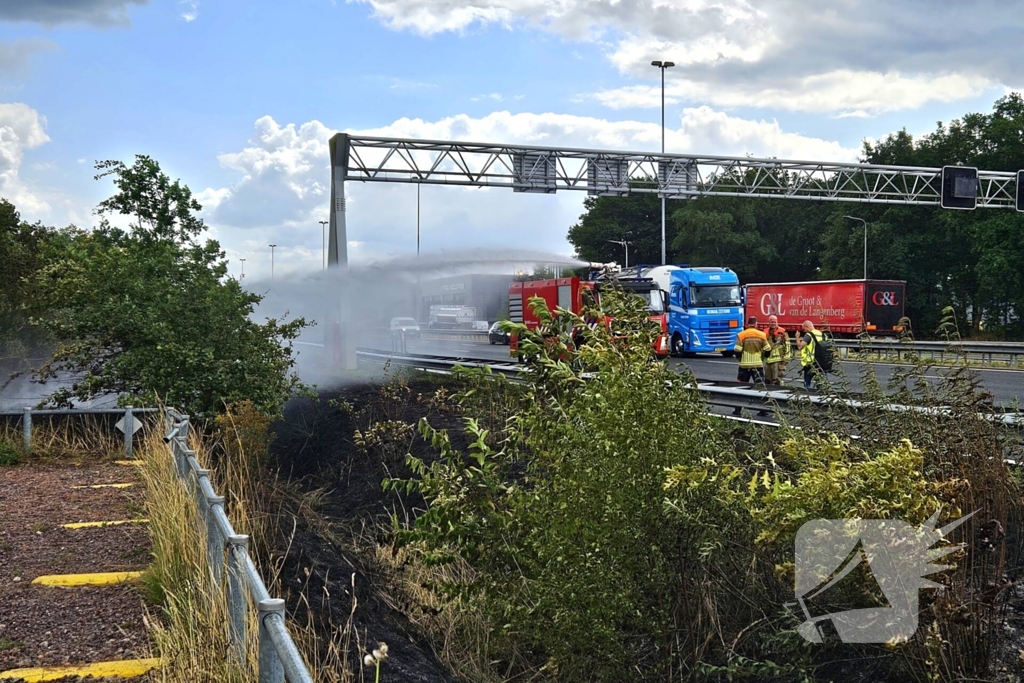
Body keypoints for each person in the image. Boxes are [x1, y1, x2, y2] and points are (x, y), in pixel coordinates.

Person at [734, 316, 771, 386]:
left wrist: (740, 359)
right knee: (760, 387)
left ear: (748, 324)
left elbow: (737, 349)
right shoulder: (762, 335)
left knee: (742, 386)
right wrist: (763, 357)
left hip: (744, 365)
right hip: (757, 364)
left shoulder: (741, 335)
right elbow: (768, 349)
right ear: (755, 324)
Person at [796, 320, 825, 390]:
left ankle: (808, 397)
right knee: (821, 384)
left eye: (804, 329)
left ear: (807, 327)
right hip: (822, 363)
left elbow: (800, 347)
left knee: (807, 384)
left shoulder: (809, 335)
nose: (804, 331)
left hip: (811, 364)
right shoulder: (822, 334)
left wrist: (797, 337)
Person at [764, 315, 790, 385]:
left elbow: (787, 344)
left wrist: (786, 358)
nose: (773, 323)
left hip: (778, 360)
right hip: (768, 360)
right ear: (769, 322)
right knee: (767, 380)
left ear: (777, 322)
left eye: (774, 322)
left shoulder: (782, 331)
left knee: (777, 380)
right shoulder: (765, 332)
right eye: (771, 322)